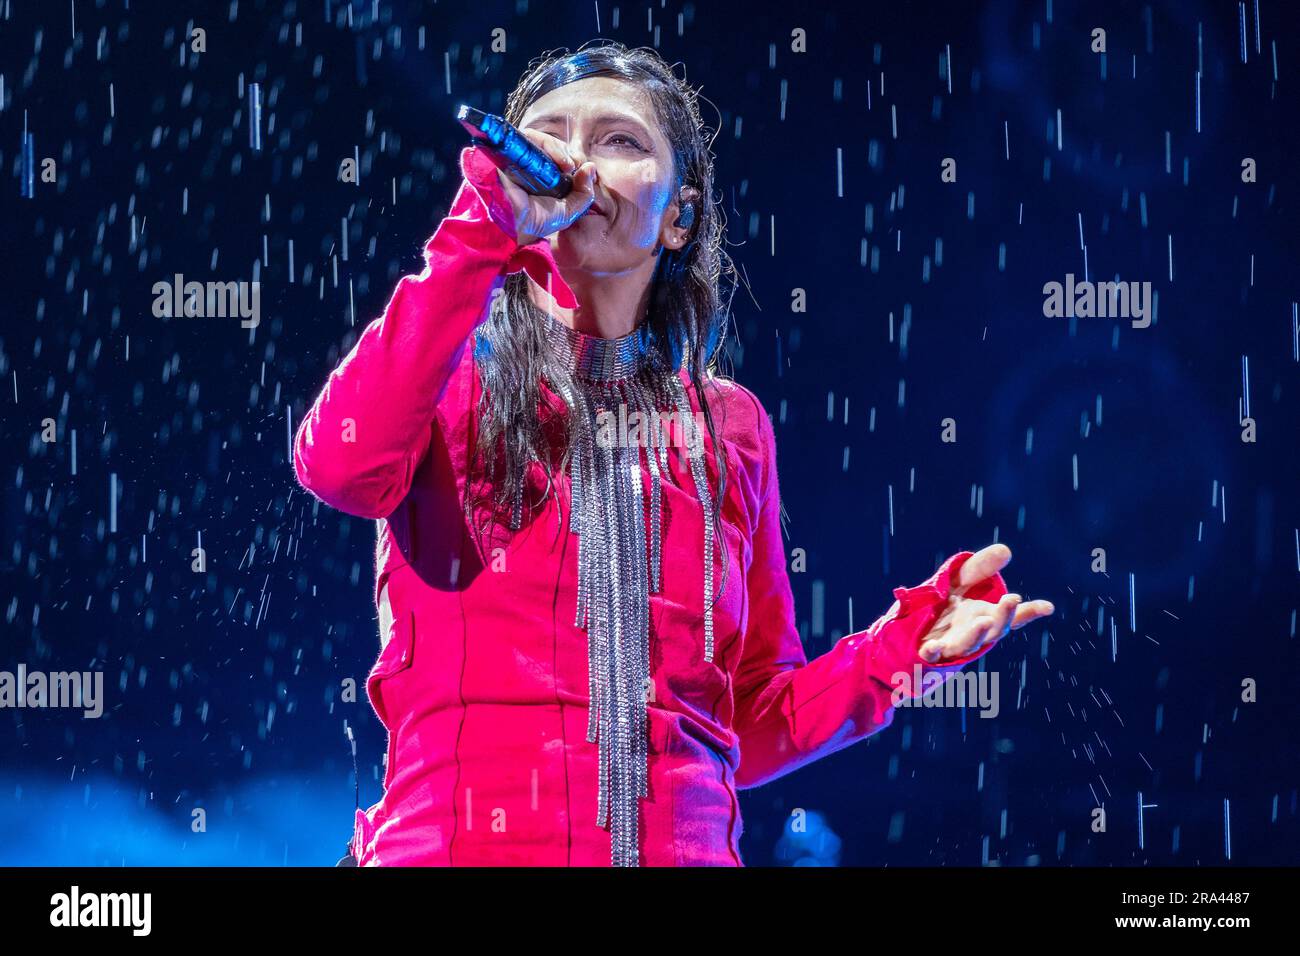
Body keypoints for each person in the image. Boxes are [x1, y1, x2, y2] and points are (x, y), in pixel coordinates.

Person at [294, 41, 1054, 866]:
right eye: (549, 135)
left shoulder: (731, 426)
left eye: (618, 141)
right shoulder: (440, 375)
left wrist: (900, 653)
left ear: (679, 215)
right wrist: (479, 227)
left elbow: (751, 721)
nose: (575, 160)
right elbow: (339, 465)